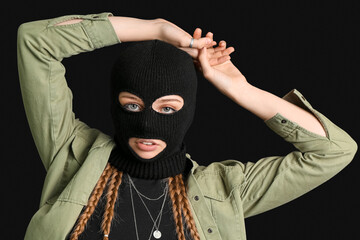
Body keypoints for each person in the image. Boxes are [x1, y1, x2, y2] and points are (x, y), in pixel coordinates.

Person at [17, 12, 357, 240]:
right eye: (131, 106)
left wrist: (241, 89)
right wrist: (154, 28)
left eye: (168, 108)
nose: (148, 125)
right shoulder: (73, 156)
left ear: (188, 111)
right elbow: (35, 41)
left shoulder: (223, 191)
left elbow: (334, 151)